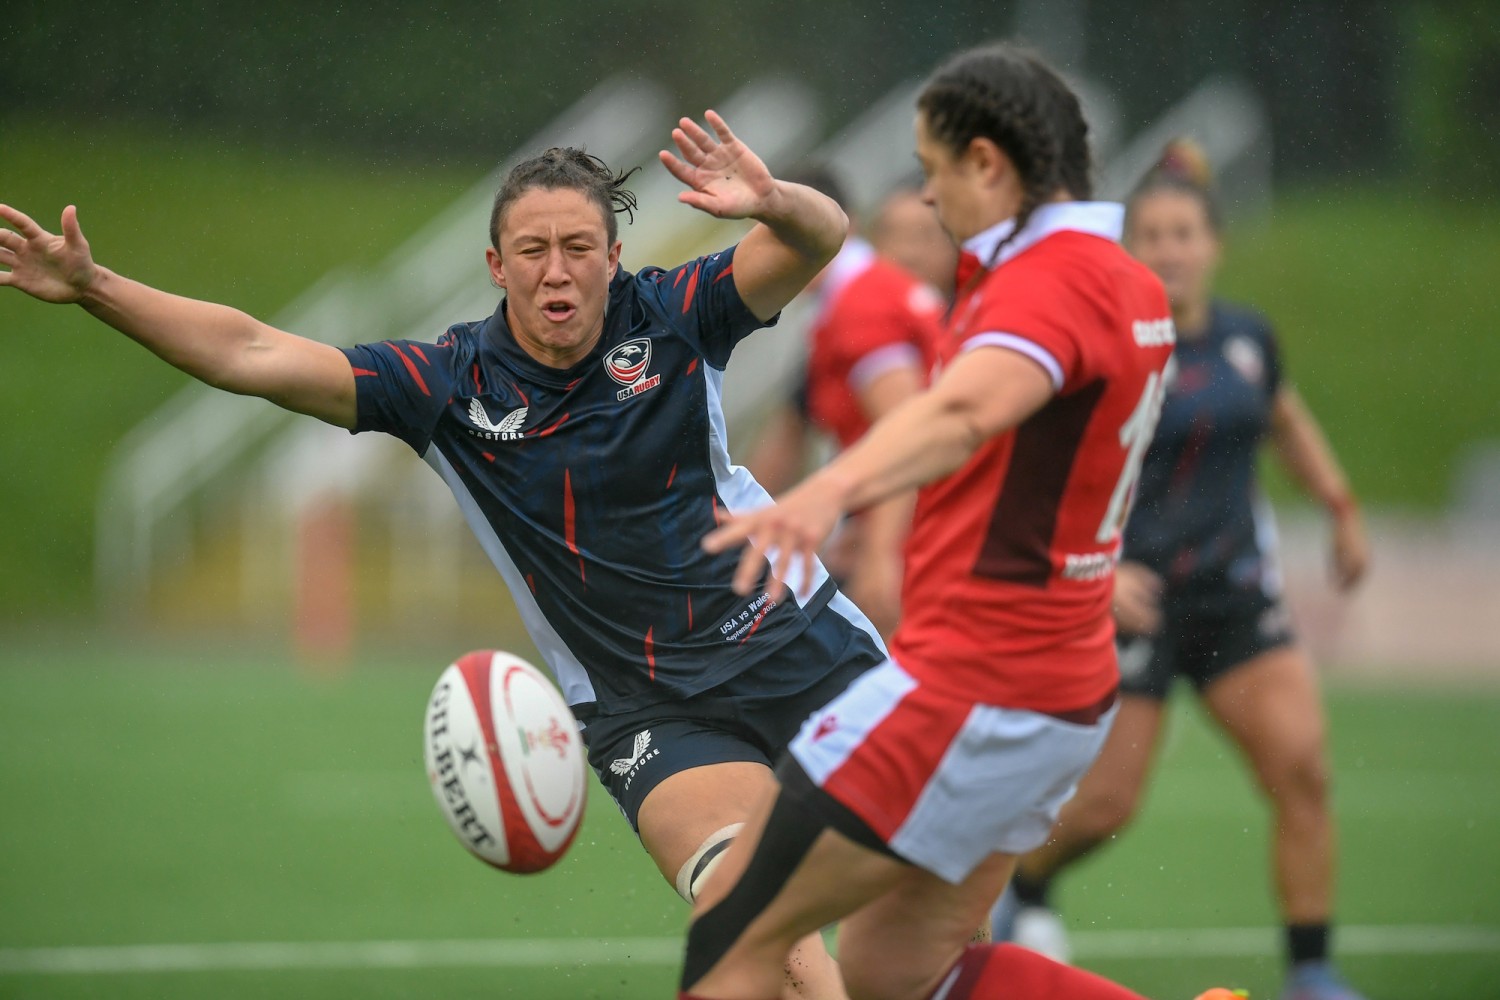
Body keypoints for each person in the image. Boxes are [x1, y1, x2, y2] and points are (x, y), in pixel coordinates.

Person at [0, 111, 887, 1000]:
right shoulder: (448, 384)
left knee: (933, 912)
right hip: (644, 704)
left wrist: (774, 201)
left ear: (614, 257)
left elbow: (820, 239)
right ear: (496, 267)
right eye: (531, 249)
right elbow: (252, 350)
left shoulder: (678, 313)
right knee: (751, 921)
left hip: (798, 638)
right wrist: (95, 287)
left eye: (579, 245)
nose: (557, 269)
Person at [676, 44, 1233, 1000]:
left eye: (935, 173)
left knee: (734, 929)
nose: (930, 201)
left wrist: (823, 492)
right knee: (902, 973)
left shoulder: (1051, 280)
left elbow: (966, 410)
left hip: (980, 687)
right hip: (1053, 689)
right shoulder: (1122, 276)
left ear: (988, 163)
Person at [994, 140, 1372, 1000]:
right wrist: (1099, 571)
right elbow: (1040, 470)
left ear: (1214, 242)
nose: (1169, 247)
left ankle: (1312, 969)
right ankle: (1015, 883)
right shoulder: (1109, 345)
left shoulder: (1248, 336)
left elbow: (1287, 421)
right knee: (1106, 805)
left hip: (1236, 593)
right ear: (1133, 247)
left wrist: (1342, 508)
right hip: (1136, 602)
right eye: (1152, 234)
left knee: (1304, 767)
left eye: (1184, 232)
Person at [745, 173, 950, 637]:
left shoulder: (860, 306)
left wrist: (883, 555)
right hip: (924, 521)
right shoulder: (858, 294)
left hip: (931, 535)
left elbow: (906, 432)